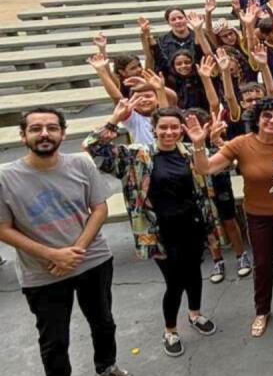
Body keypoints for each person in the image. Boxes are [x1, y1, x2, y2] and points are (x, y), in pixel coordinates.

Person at [0, 108, 131, 376]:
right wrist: (53, 254)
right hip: (42, 271)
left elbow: (99, 209)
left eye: (52, 127)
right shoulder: (4, 177)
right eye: (36, 129)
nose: (44, 133)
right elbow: (3, 228)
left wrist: (75, 252)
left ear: (63, 133)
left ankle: (106, 368)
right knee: (55, 340)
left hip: (93, 260)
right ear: (23, 136)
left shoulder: (81, 164)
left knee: (104, 322)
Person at [85, 110, 220, 358]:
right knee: (175, 282)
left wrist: (207, 141)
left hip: (192, 225)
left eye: (175, 127)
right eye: (164, 127)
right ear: (154, 128)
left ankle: (195, 314)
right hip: (159, 232)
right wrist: (114, 120)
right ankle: (170, 330)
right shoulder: (137, 155)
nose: (169, 132)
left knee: (193, 273)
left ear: (182, 129)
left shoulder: (190, 152)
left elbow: (215, 168)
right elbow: (93, 148)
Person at [189, 98, 273, 338]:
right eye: (267, 115)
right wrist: (199, 145)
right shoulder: (241, 144)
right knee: (263, 263)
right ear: (257, 118)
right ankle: (262, 311)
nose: (272, 120)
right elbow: (205, 169)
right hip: (258, 215)